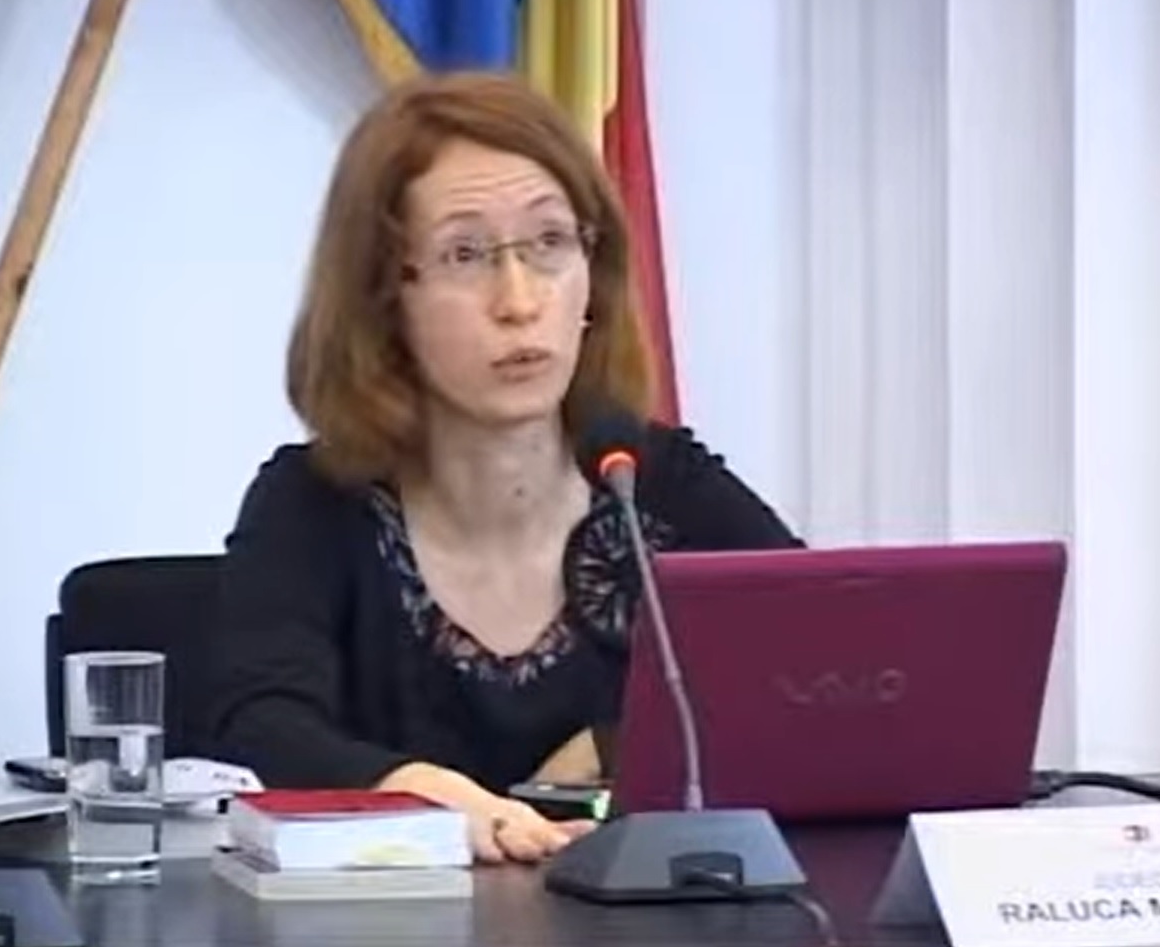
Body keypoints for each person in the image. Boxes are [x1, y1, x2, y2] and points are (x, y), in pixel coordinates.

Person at [206, 71, 802, 865]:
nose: (519, 302)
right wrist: (413, 790)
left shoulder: (650, 481)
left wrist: (613, 742)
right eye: (465, 254)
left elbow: (823, 666)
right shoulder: (315, 502)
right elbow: (259, 724)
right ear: (383, 297)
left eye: (549, 243)